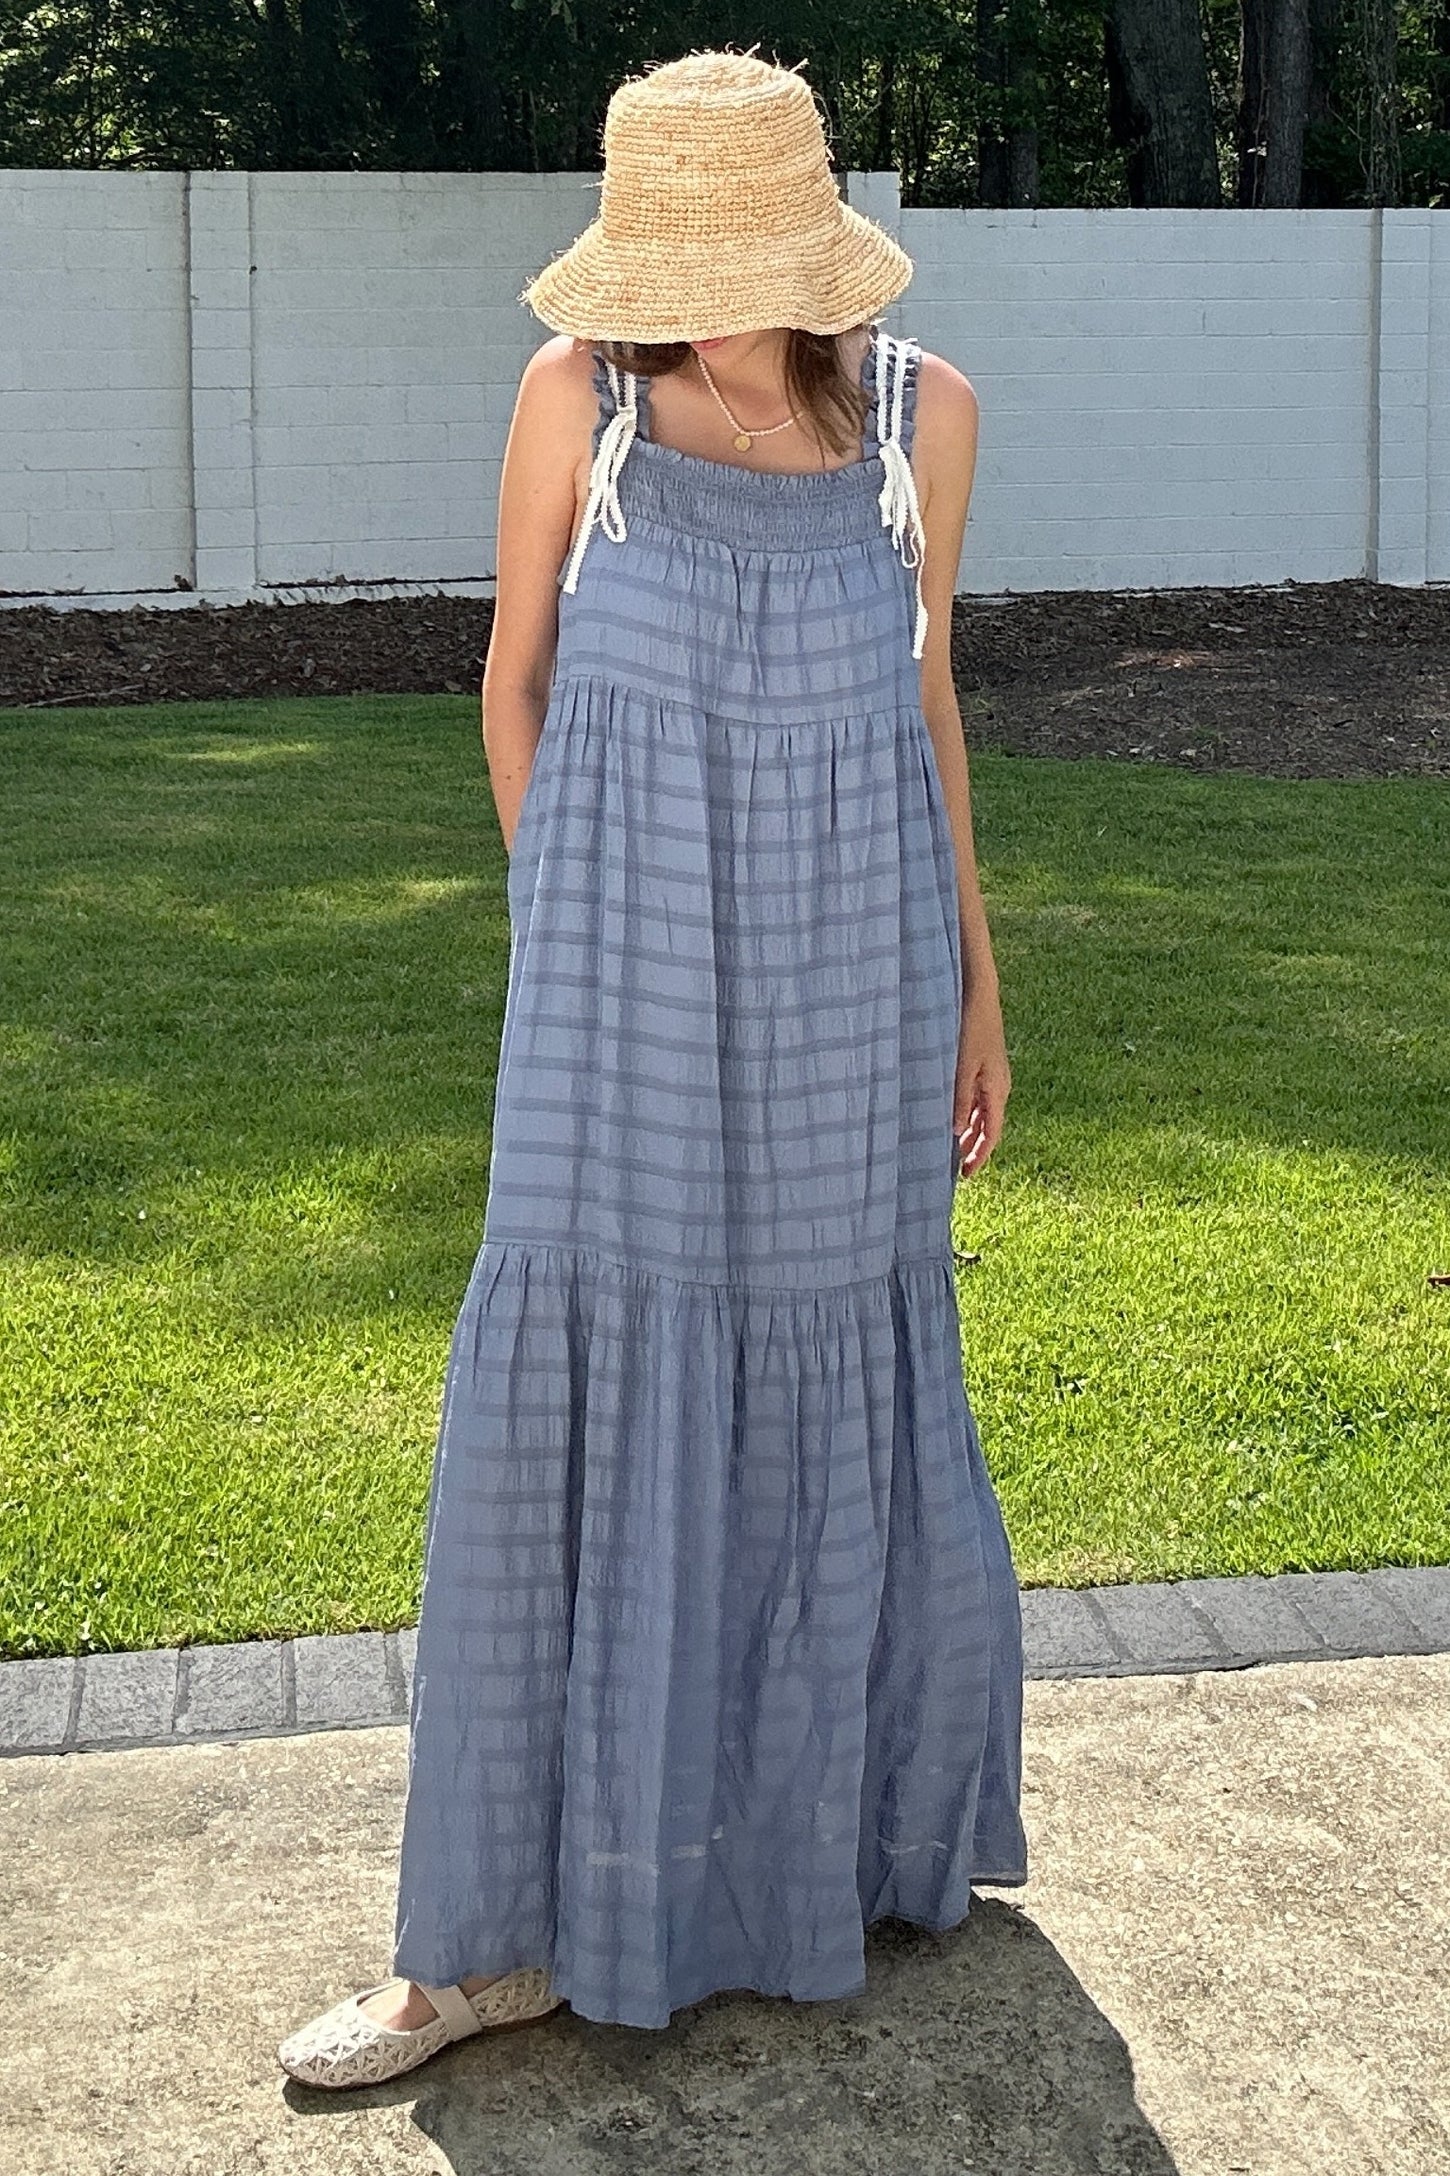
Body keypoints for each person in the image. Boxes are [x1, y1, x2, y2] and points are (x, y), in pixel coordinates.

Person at [278, 47, 1027, 2091]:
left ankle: (821, 1854)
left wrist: (975, 985)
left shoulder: (925, 423)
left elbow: (927, 705)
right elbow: (508, 680)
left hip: (856, 979)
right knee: (582, 1396)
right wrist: (563, 926)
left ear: (805, 245)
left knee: (831, 1363)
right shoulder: (576, 408)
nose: (696, 296)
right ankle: (489, 1943)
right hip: (619, 982)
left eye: (730, 252)